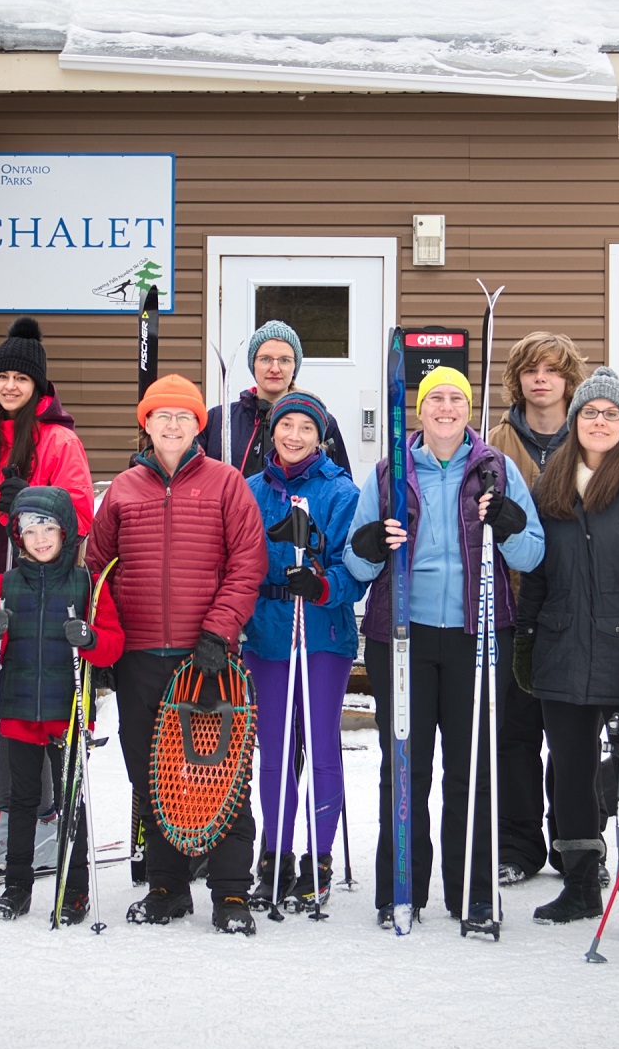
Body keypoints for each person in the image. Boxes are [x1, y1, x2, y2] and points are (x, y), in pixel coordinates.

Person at [344, 366, 544, 929]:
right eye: (437, 399)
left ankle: (474, 894)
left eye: (458, 398)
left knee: (472, 764)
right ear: (420, 409)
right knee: (406, 766)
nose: (448, 408)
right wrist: (366, 546)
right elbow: (355, 567)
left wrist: (507, 525)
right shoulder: (389, 473)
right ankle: (398, 889)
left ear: (469, 407)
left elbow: (531, 555)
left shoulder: (496, 470)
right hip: (400, 637)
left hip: (477, 634)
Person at [89, 374, 267, 934]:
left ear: (199, 425)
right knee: (153, 776)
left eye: (183, 416)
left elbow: (247, 563)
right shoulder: (122, 490)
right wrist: (105, 644)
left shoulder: (226, 484)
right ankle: (167, 887)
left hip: (206, 659)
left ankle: (232, 893)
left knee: (223, 775)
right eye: (162, 415)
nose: (172, 424)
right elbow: (96, 571)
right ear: (146, 423)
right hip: (139, 656)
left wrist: (219, 631)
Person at [513, 366, 619, 923]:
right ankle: (580, 885)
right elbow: (535, 571)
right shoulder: (549, 487)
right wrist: (526, 636)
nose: (600, 422)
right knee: (571, 771)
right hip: (560, 649)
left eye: (611, 414)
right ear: (575, 421)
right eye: (590, 412)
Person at [0, 317, 94, 863]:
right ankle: (11, 809)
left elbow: (79, 513)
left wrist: (35, 498)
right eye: (2, 377)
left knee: (45, 702)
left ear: (39, 385)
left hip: (46, 591)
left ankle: (47, 813)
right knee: (0, 704)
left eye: (21, 377)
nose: (10, 386)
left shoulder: (60, 440)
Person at [0, 486, 124, 925]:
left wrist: (90, 639)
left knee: (70, 799)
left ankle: (74, 889)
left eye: (48, 528)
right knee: (21, 801)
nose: (39, 538)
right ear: (17, 535)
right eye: (29, 528)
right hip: (20, 712)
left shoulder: (86, 584)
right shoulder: (4, 585)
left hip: (67, 711)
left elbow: (113, 647)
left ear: (66, 532)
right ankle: (16, 885)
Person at [241, 390, 364, 911]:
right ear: (273, 432)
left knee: (319, 744)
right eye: (286, 425)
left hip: (322, 636)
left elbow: (356, 569)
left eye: (306, 428)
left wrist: (320, 584)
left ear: (321, 436)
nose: (294, 436)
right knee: (274, 749)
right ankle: (275, 853)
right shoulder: (248, 489)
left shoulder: (340, 492)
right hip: (268, 634)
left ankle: (319, 857)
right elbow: (237, 562)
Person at [485, 331, 587, 886]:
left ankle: (575, 845)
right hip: (513, 604)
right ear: (517, 379)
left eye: (552, 370)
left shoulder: (594, 434)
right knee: (516, 733)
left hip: (575, 608)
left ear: (568, 379)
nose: (540, 379)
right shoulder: (493, 443)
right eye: (531, 370)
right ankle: (519, 845)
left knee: (571, 739)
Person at [198, 320, 352, 476]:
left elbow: (340, 485)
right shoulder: (218, 419)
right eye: (265, 359)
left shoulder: (320, 421)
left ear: (294, 366)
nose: (275, 369)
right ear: (253, 364)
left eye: (284, 360)